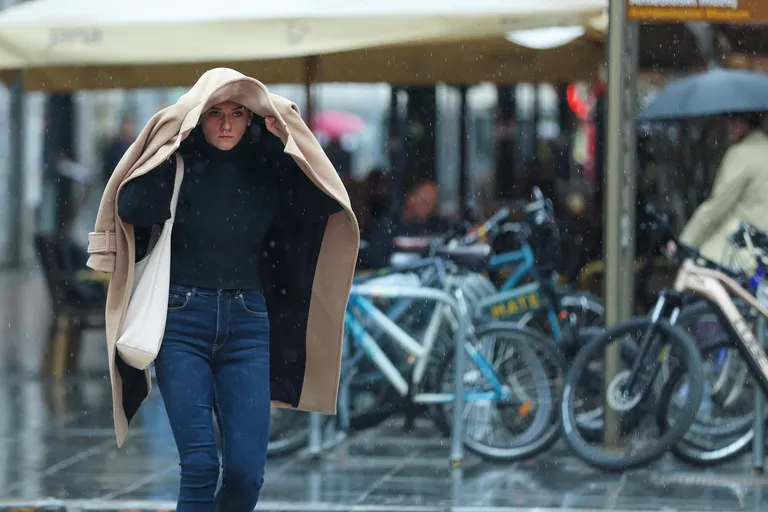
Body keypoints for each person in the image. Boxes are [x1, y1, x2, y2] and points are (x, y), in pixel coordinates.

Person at [87, 68, 359, 512]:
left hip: (248, 325)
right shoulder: (179, 158)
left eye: (236, 113)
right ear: (200, 116)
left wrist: (287, 141)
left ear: (251, 117)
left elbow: (323, 203)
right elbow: (133, 206)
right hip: (181, 323)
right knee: (199, 467)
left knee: (245, 477)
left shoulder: (267, 163)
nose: (227, 124)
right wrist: (171, 136)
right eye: (215, 113)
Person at [667, 112, 768, 267]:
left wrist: (686, 242)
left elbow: (717, 206)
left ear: (741, 122)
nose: (728, 129)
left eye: (730, 122)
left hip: (743, 252)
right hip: (763, 253)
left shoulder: (741, 154)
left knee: (698, 273)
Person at [365, 178, 448, 269]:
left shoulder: (436, 226)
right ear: (410, 199)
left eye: (433, 205)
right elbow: (376, 260)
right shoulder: (388, 226)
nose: (429, 209)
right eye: (425, 202)